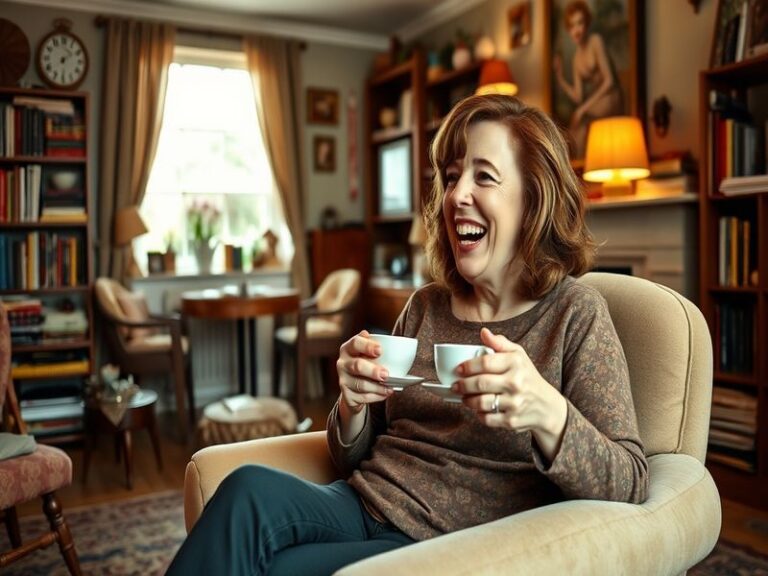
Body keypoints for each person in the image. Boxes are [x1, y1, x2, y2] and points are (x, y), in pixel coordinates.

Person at [166, 94, 648, 576]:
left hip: (437, 545)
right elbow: (352, 454)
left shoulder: (574, 315)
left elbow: (630, 482)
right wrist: (353, 405)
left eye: (484, 176)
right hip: (360, 502)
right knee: (246, 489)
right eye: (453, 175)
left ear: (533, 198)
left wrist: (547, 411)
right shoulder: (424, 306)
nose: (457, 194)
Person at [553, 0, 623, 157]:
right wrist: (560, 78)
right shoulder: (576, 58)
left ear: (586, 24)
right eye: (572, 26)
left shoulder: (595, 41)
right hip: (596, 103)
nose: (576, 30)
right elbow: (578, 97)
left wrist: (583, 109)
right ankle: (574, 166)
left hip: (611, 98)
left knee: (580, 119)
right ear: (568, 30)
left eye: (580, 23)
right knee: (576, 130)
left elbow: (610, 81)